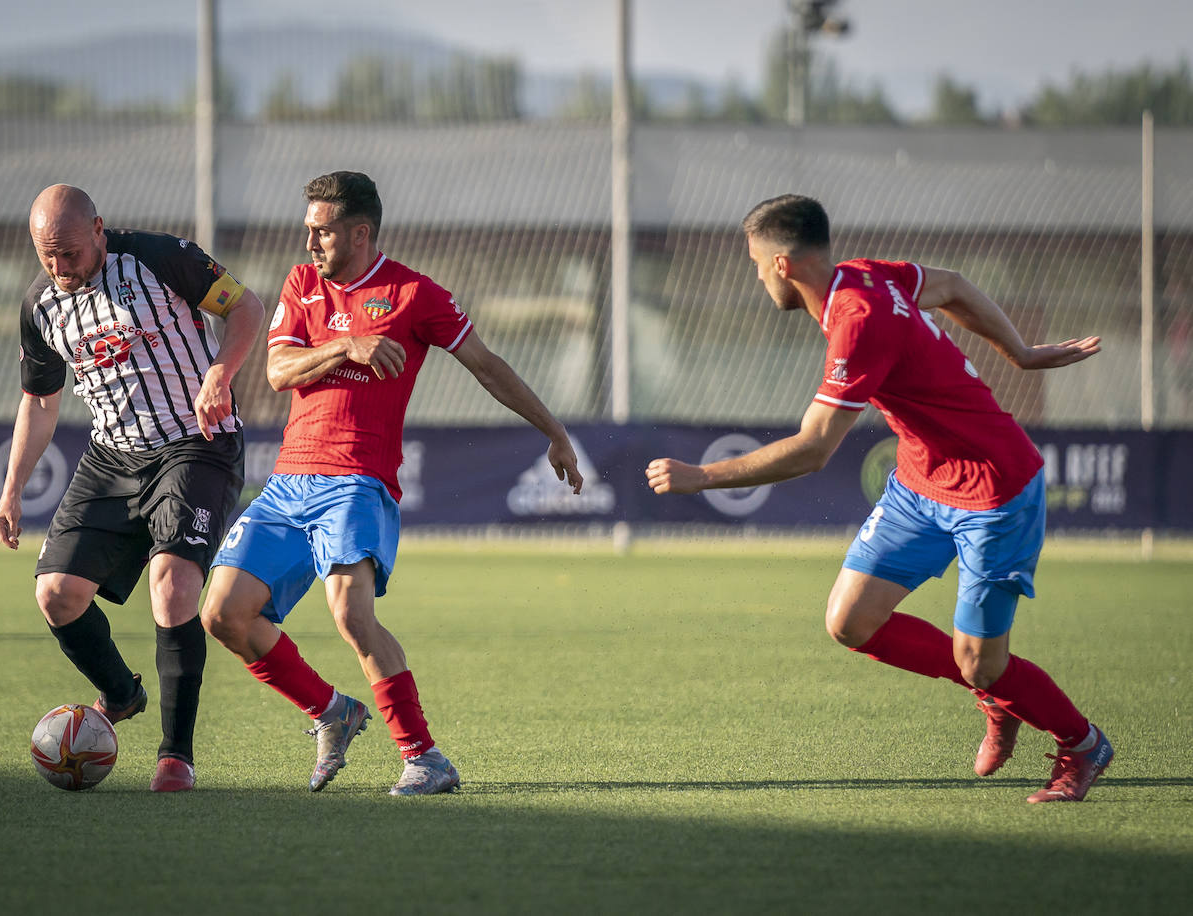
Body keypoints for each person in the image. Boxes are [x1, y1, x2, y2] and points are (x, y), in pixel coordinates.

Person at [646, 194, 1112, 804]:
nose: (757, 277)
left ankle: (1082, 745)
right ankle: (997, 690)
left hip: (995, 492)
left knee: (981, 662)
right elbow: (952, 286)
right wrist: (1019, 354)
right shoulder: (863, 273)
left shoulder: (858, 317)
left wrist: (702, 477)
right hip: (920, 484)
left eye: (757, 265)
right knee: (851, 621)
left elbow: (814, 448)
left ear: (782, 266)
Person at [201, 171, 583, 796]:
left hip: (357, 479)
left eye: (322, 232)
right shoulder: (302, 285)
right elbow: (275, 372)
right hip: (288, 482)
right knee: (222, 614)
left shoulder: (415, 293)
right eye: (307, 231)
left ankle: (424, 757)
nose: (310, 244)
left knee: (351, 614)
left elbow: (486, 364)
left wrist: (554, 431)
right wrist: (346, 345)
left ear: (360, 231)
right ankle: (333, 711)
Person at [0, 184, 264, 792]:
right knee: (57, 595)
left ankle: (176, 757)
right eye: (47, 255)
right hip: (111, 457)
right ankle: (121, 694)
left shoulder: (162, 257)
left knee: (174, 586)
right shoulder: (40, 306)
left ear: (98, 230)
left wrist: (221, 371)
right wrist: (11, 493)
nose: (60, 267)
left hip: (196, 444)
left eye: (70, 252)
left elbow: (247, 308)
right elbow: (39, 399)